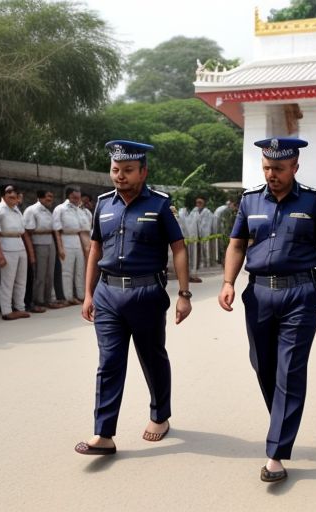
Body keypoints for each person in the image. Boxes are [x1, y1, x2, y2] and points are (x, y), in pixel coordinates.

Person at [218, 137, 316, 483]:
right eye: (267, 167)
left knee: (290, 370)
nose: (272, 174)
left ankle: (276, 452)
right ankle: (282, 419)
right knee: (263, 365)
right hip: (258, 294)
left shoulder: (313, 201)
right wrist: (228, 282)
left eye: (279, 168)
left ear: (295, 168)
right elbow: (237, 244)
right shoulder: (250, 200)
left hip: (300, 294)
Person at [74, 140, 192, 456]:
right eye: (116, 170)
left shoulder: (160, 205)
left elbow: (178, 248)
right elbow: (95, 249)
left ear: (143, 171)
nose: (120, 176)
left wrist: (184, 294)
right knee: (109, 362)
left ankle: (159, 415)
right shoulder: (103, 204)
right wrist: (88, 294)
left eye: (127, 170)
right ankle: (104, 434)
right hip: (108, 293)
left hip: (146, 294)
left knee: (152, 357)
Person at [0, 184, 33, 321]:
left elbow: (23, 231)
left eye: (15, 194)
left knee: (21, 279)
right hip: (6, 244)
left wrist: (30, 252)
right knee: (8, 280)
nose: (13, 197)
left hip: (19, 244)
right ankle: (6, 310)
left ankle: (20, 307)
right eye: (9, 194)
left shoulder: (16, 210)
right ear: (3, 195)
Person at [23, 190, 65, 311]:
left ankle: (48, 299)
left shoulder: (47, 211)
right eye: (48, 197)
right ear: (40, 198)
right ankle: (38, 300)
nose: (50, 199)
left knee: (49, 273)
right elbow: (28, 229)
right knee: (40, 274)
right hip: (38, 242)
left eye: (51, 197)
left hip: (49, 241)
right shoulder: (32, 210)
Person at [53, 186, 86, 305]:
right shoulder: (60, 209)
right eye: (74, 197)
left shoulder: (78, 209)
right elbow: (56, 229)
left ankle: (81, 295)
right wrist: (60, 247)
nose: (77, 199)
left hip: (77, 239)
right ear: (69, 196)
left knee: (80, 269)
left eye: (78, 197)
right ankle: (68, 296)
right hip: (65, 238)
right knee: (67, 271)